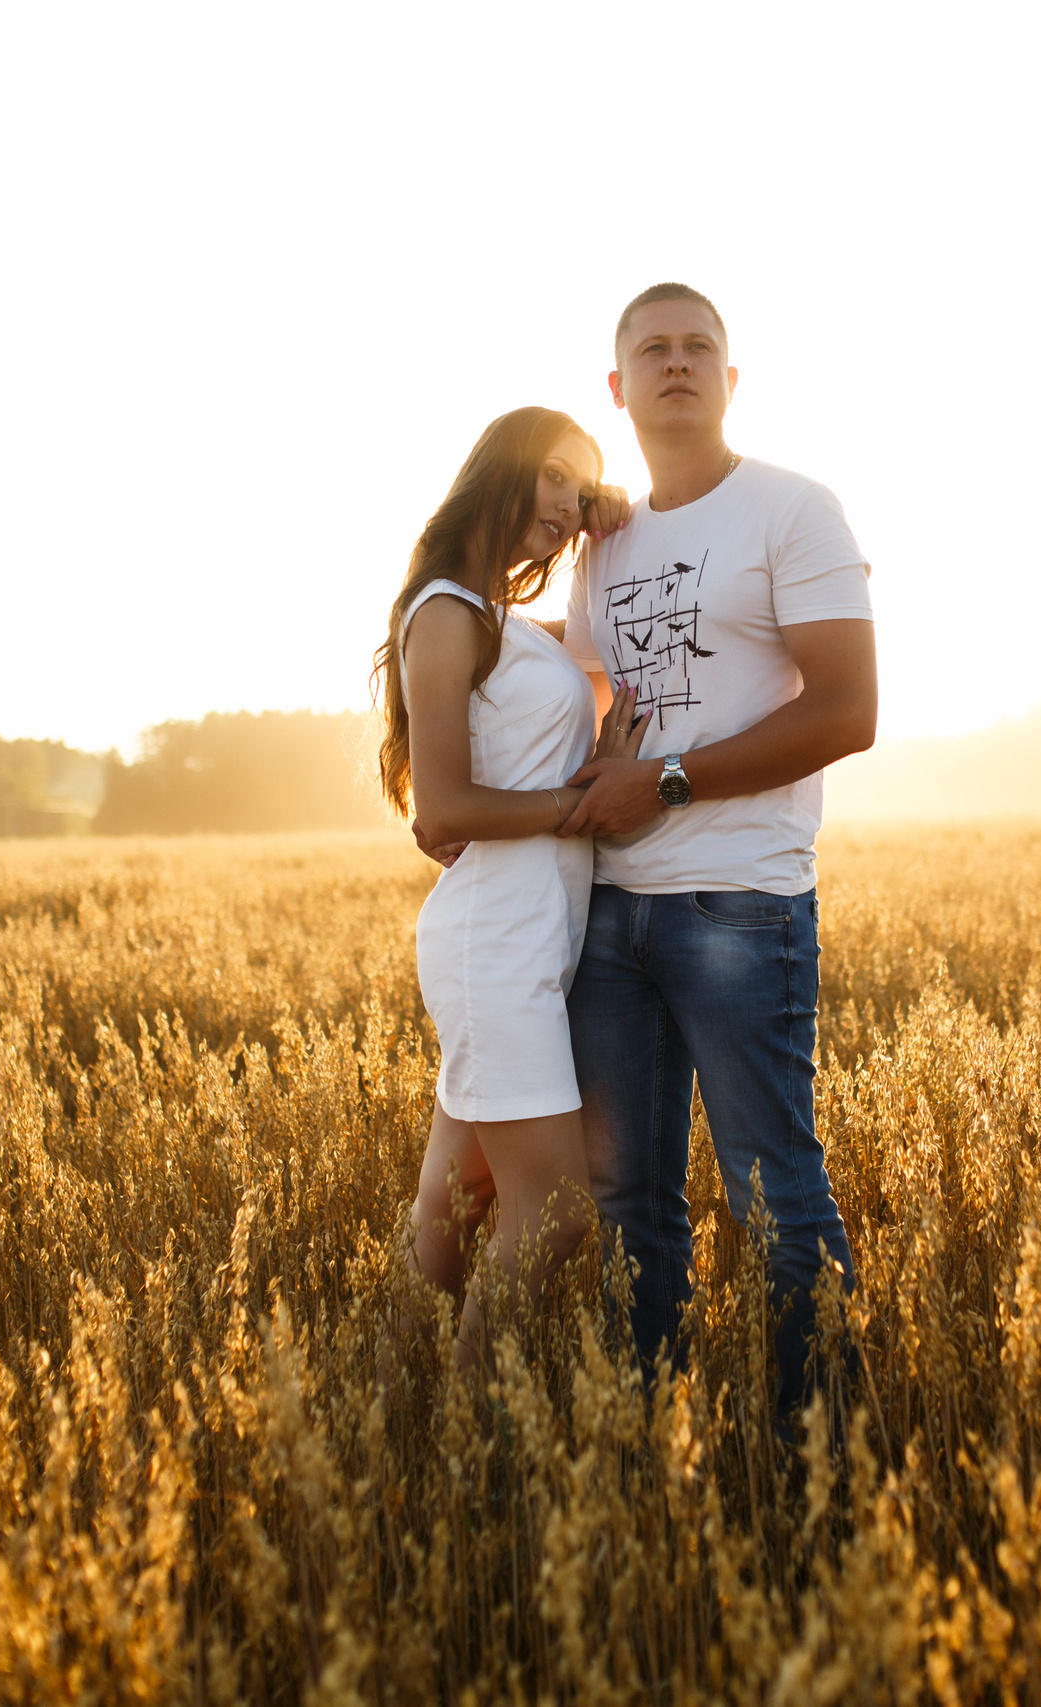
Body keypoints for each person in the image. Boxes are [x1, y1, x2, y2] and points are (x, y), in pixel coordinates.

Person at [554, 284, 879, 1431]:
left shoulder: (794, 511)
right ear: (619, 388)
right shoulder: (604, 546)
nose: (677, 362)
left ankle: (821, 1457)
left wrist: (668, 782)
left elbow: (848, 712)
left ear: (731, 381)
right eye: (653, 348)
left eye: (700, 348)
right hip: (610, 920)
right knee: (631, 1202)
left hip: (739, 905)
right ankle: (661, 1451)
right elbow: (593, 696)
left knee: (774, 1200)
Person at [376, 405, 642, 1368]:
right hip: (496, 938)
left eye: (583, 485)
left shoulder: (506, 621)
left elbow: (611, 677)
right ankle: (471, 1435)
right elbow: (441, 809)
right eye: (557, 477)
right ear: (505, 469)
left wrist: (615, 526)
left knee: (457, 1200)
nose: (569, 502)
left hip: (531, 930)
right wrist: (581, 805)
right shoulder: (447, 610)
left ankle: (399, 1393)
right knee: (561, 1215)